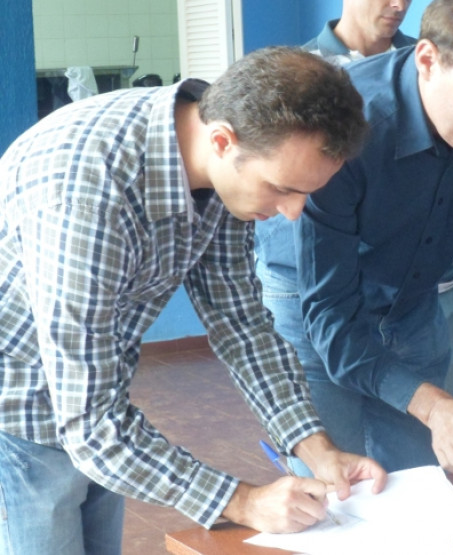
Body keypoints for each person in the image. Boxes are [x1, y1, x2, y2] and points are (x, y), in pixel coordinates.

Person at [0, 47, 387, 555]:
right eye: (282, 189)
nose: (292, 213)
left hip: (96, 394)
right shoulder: (88, 197)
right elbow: (92, 429)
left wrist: (317, 449)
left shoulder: (225, 166)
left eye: (306, 194)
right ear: (223, 140)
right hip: (18, 412)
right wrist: (244, 502)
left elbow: (242, 323)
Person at [277, 0, 453, 474]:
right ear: (428, 59)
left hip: (412, 298)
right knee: (335, 491)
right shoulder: (347, 124)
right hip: (309, 302)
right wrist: (430, 405)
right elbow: (329, 312)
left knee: (418, 480)